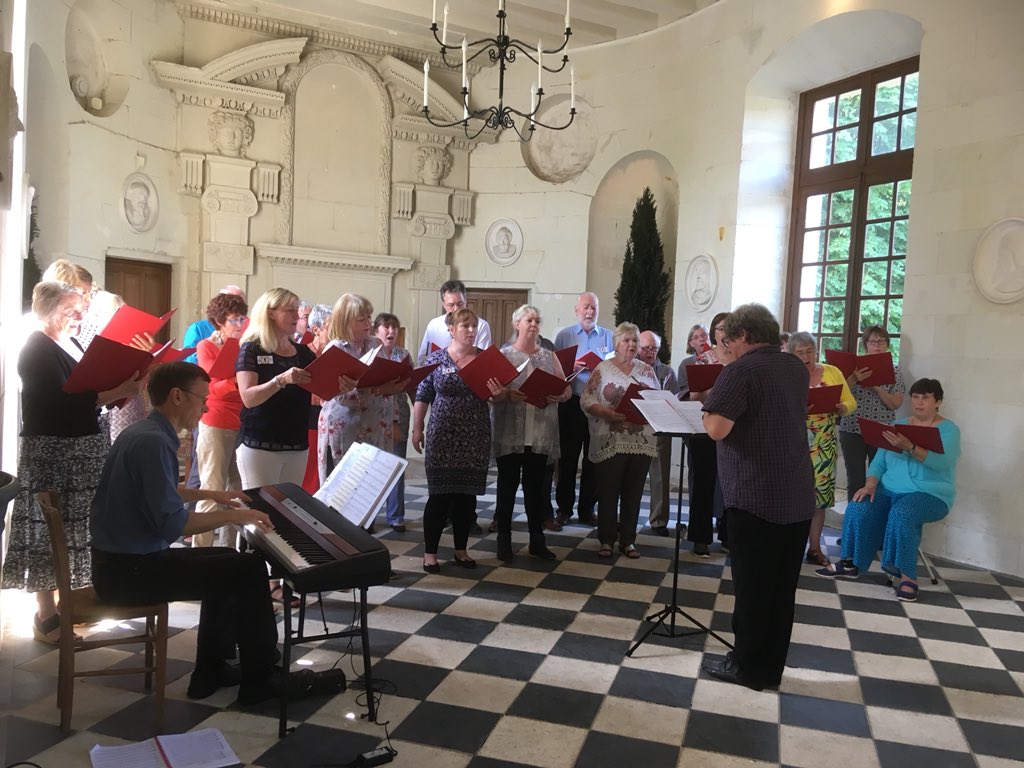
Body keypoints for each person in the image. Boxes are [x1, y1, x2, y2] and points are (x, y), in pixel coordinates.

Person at [89, 361, 298, 705]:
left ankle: (210, 671)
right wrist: (238, 515)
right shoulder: (154, 443)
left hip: (123, 562)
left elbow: (160, 492)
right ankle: (260, 678)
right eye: (201, 398)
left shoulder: (145, 433)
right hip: (128, 572)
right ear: (176, 397)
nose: (206, 406)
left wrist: (211, 495)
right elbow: (174, 524)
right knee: (245, 569)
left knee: (229, 563)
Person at [1, 282, 142, 644]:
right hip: (52, 453)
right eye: (72, 309)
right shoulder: (36, 347)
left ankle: (69, 607)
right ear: (46, 309)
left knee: (77, 532)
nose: (81, 315)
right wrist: (117, 391)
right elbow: (61, 404)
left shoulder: (73, 343)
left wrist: (122, 388)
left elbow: (89, 393)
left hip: (81, 451)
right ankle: (46, 616)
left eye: (82, 308)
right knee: (49, 535)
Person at [700, 303, 815, 691]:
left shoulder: (740, 370)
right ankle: (770, 669)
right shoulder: (795, 367)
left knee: (751, 588)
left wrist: (713, 395)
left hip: (755, 495)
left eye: (729, 340)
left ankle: (747, 668)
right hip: (797, 494)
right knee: (782, 591)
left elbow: (716, 428)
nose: (727, 347)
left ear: (744, 336)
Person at [818, 378, 960, 603]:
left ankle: (906, 577)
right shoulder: (898, 425)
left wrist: (910, 447)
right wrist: (870, 484)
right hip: (889, 489)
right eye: (915, 397)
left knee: (903, 514)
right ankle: (850, 563)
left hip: (930, 494)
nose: (919, 402)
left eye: (926, 397)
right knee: (858, 505)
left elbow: (941, 463)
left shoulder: (948, 430)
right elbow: (879, 463)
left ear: (938, 402)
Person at [413, 309, 496, 572]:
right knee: (438, 496)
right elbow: (422, 395)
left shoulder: (486, 359)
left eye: (474, 326)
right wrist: (417, 429)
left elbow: (499, 397)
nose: (471, 330)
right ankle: (430, 554)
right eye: (465, 325)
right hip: (442, 436)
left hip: (475, 437)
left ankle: (461, 550)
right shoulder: (436, 359)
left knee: (466, 497)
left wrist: (499, 393)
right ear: (451, 328)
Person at [491, 305, 570, 562]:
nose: (534, 324)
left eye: (537, 320)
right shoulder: (503, 355)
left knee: (537, 491)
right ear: (517, 324)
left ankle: (537, 540)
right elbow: (493, 393)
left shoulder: (549, 356)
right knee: (506, 489)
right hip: (510, 433)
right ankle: (504, 542)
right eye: (529, 320)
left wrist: (560, 394)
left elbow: (566, 390)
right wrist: (506, 394)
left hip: (539, 434)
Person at [580, 322, 659, 559]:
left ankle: (628, 540)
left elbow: (657, 399)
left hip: (641, 438)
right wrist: (605, 412)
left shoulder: (647, 371)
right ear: (616, 343)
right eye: (627, 340)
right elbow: (585, 398)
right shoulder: (603, 369)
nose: (632, 344)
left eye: (635, 340)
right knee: (608, 491)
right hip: (610, 437)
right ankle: (606, 539)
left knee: (633, 492)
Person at [317, 294, 404, 484]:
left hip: (374, 424)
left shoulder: (375, 344)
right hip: (344, 427)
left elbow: (385, 378)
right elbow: (340, 397)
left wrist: (394, 418)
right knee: (343, 489)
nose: (368, 323)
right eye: (362, 318)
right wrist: (378, 390)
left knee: (369, 488)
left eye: (369, 317)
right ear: (346, 321)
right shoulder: (336, 349)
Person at [787, 332, 856, 566]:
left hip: (824, 441)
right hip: (794, 440)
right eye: (800, 353)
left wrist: (841, 408)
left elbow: (850, 401)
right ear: (791, 354)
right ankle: (791, 547)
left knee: (820, 496)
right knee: (794, 494)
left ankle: (815, 547)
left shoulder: (832, 371)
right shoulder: (787, 373)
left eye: (809, 351)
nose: (806, 356)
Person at [553, 291, 613, 527]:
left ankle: (587, 509)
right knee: (567, 459)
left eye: (594, 308)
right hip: (571, 402)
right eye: (586, 307)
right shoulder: (564, 336)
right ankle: (564, 509)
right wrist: (571, 365)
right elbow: (555, 371)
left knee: (594, 459)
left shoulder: (608, 336)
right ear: (576, 309)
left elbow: (613, 369)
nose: (590, 312)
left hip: (597, 404)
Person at [194, 292, 249, 547]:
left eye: (242, 319)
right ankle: (201, 551)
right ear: (219, 322)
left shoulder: (245, 345)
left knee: (237, 492)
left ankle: (228, 551)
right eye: (234, 320)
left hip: (243, 421)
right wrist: (236, 382)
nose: (240, 325)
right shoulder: (206, 346)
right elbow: (208, 387)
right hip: (216, 422)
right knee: (212, 489)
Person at [676, 316, 728, 555]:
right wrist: (707, 390)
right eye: (721, 328)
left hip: (732, 425)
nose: (726, 332)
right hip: (703, 425)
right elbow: (689, 396)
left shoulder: (740, 357)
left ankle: (728, 536)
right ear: (715, 333)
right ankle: (700, 537)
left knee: (731, 483)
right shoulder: (700, 360)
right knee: (703, 482)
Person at [838, 325, 905, 495]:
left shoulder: (895, 370)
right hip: (852, 428)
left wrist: (876, 386)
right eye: (872, 341)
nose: (877, 345)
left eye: (881, 341)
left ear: (887, 344)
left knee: (879, 477)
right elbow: (838, 394)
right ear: (865, 344)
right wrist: (854, 378)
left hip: (881, 430)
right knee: (855, 478)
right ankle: (855, 517)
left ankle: (874, 517)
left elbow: (895, 404)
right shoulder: (853, 368)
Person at [373, 312, 413, 532]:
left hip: (399, 416)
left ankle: (396, 515)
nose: (391, 331)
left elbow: (413, 386)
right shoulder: (371, 354)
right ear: (376, 331)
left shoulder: (403, 354)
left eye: (394, 327)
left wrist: (419, 418)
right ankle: (367, 517)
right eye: (386, 327)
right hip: (373, 416)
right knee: (373, 466)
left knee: (396, 463)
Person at [637, 330, 678, 537]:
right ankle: (624, 517)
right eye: (646, 348)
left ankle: (659, 520)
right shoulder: (630, 368)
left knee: (660, 475)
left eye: (654, 348)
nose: (650, 352)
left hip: (660, 427)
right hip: (634, 427)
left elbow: (674, 399)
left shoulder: (667, 372)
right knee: (631, 476)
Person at [416, 280, 492, 365]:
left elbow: (483, 361)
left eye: (460, 304)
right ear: (443, 304)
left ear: (466, 301)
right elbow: (423, 358)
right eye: (451, 305)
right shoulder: (434, 325)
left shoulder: (481, 325)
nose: (456, 309)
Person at [301, 303, 332, 494]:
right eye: (331, 328)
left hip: (333, 418)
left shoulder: (337, 353)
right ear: (316, 330)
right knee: (311, 472)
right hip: (310, 417)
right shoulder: (304, 354)